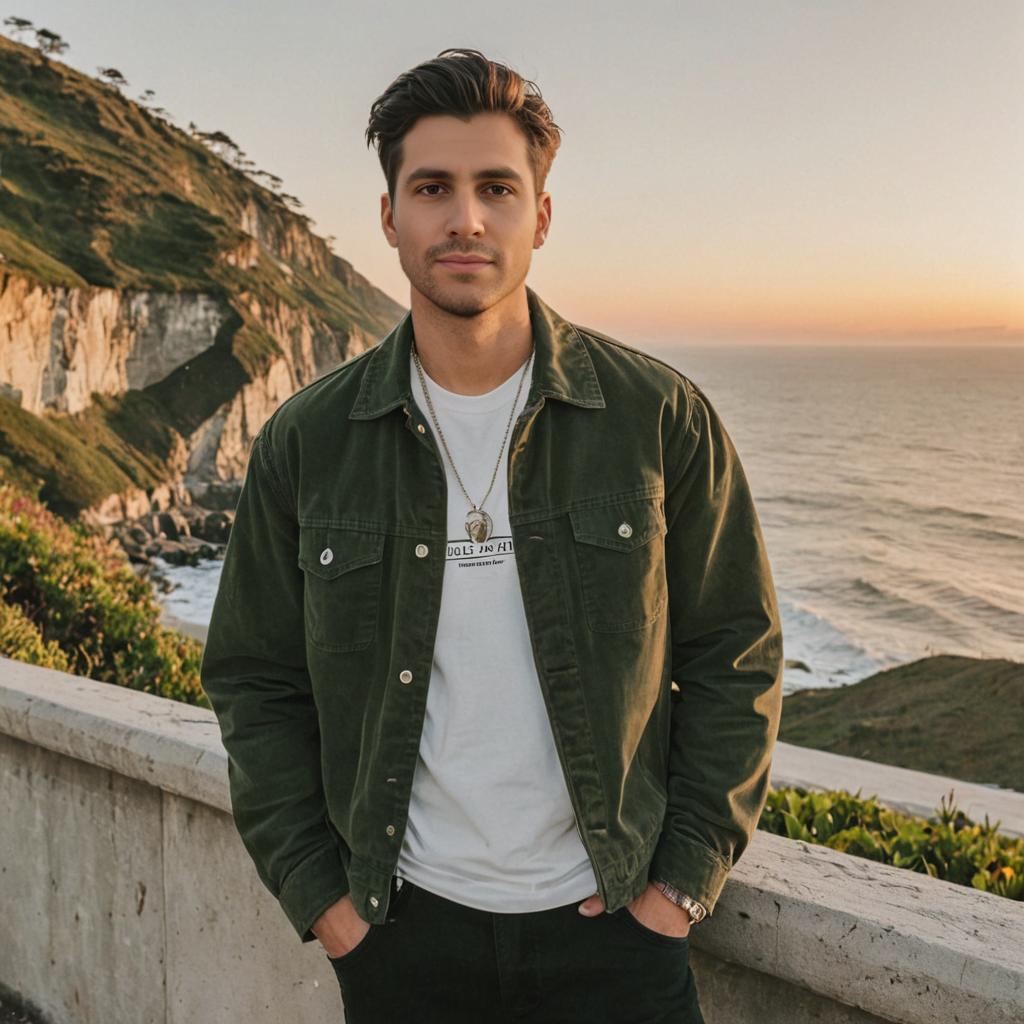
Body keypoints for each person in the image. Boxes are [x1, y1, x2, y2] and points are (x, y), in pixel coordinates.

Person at [200, 47, 784, 1024]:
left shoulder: (657, 419)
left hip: (619, 948)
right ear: (389, 215)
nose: (464, 218)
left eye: (495, 188)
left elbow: (737, 652)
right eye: (432, 187)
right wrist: (329, 906)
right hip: (403, 943)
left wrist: (675, 888)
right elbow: (253, 677)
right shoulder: (308, 442)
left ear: (539, 215)